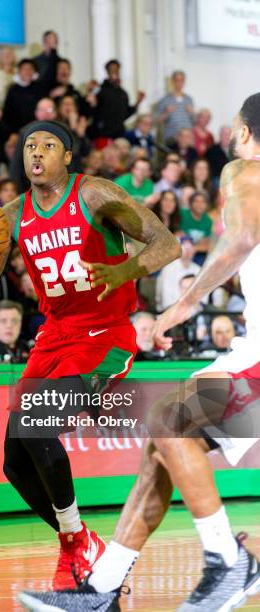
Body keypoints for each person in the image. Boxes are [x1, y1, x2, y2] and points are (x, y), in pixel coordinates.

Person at [21, 93, 260, 612]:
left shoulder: (243, 170)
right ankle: (101, 590)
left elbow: (241, 239)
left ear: (244, 134)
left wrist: (181, 306)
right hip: (250, 348)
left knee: (168, 422)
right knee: (162, 447)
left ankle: (228, 561)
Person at [0, 119, 180, 591]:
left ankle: (76, 546)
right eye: (29, 146)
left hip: (104, 333)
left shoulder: (95, 194)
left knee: (34, 418)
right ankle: (82, 540)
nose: (37, 152)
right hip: (55, 335)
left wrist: (123, 269)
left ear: (67, 157)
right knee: (13, 462)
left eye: (48, 145)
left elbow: (167, 243)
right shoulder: (8, 215)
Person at [91, 59, 145, 140]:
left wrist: (138, 102)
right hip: (102, 135)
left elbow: (125, 115)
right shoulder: (99, 89)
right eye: (111, 70)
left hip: (119, 135)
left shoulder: (123, 94)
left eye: (116, 70)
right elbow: (91, 106)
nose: (114, 72)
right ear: (107, 72)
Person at [3, 55, 59, 133]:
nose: (27, 71)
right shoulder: (13, 90)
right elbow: (7, 115)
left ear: (34, 72)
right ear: (19, 72)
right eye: (24, 69)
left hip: (39, 128)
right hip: (16, 131)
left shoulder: (40, 88)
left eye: (30, 69)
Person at [156, 236, 201, 311]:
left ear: (194, 250)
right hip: (169, 310)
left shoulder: (198, 269)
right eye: (184, 247)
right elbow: (166, 301)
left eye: (190, 247)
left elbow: (202, 298)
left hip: (193, 311)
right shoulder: (168, 269)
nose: (187, 251)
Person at [156, 70, 194, 144]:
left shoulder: (189, 99)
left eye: (182, 80)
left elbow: (193, 121)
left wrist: (191, 113)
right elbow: (157, 120)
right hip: (172, 138)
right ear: (172, 82)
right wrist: (167, 112)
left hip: (187, 139)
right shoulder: (165, 99)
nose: (179, 83)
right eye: (177, 80)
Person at [180, 191, 213, 262]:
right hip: (180, 249)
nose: (200, 204)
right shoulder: (182, 214)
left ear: (206, 205)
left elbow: (205, 244)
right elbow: (179, 233)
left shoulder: (208, 221)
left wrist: (194, 248)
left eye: (203, 202)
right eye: (196, 201)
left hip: (196, 253)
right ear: (191, 203)